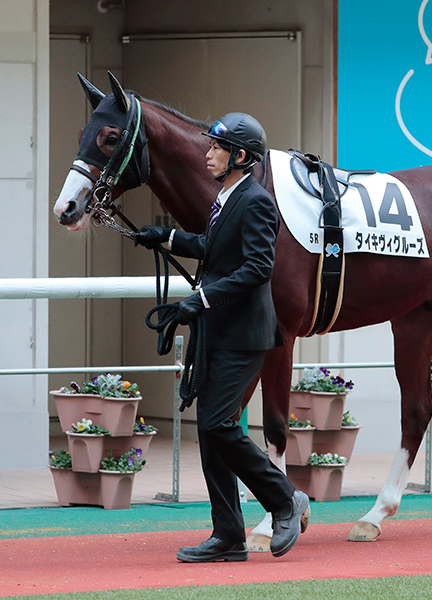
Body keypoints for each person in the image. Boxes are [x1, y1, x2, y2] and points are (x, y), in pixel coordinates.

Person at [135, 112, 310, 562]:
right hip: (221, 331)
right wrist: (167, 238)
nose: (207, 153)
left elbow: (257, 268)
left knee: (217, 425)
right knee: (212, 433)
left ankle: (285, 498)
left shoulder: (256, 201)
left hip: (244, 335)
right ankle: (228, 534)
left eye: (215, 148)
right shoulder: (225, 197)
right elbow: (214, 248)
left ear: (240, 156)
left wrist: (202, 299)